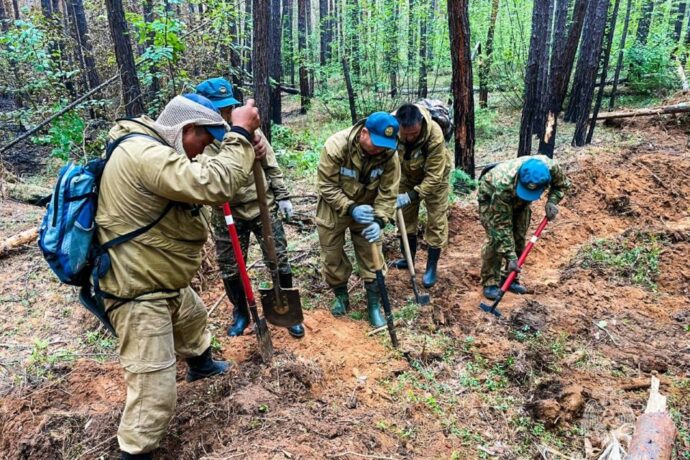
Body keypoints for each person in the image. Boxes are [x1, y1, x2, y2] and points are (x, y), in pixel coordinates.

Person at [96, 93, 261, 459]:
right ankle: (135, 452)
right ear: (187, 130)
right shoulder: (144, 154)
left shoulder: (157, 149)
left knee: (192, 318)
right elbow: (212, 185)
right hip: (136, 289)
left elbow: (202, 185)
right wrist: (240, 134)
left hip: (159, 277)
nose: (202, 152)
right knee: (154, 390)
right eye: (202, 142)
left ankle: (201, 366)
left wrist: (247, 147)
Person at [196, 77, 305, 339]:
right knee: (231, 266)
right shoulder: (201, 137)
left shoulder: (248, 130)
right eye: (217, 108)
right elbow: (207, 176)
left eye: (226, 107)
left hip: (261, 205)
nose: (223, 113)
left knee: (277, 258)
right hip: (227, 210)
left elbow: (270, 163)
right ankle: (241, 312)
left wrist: (283, 196)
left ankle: (286, 309)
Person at [317, 112, 400, 327]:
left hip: (369, 208)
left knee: (372, 255)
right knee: (332, 253)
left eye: (385, 145)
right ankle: (341, 296)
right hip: (334, 207)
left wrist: (379, 221)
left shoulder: (389, 154)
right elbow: (326, 185)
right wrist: (350, 207)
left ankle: (373, 305)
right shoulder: (337, 145)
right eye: (377, 143)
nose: (380, 149)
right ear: (364, 133)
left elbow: (389, 192)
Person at [477, 155, 570, 300]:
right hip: (491, 196)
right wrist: (511, 256)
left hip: (517, 199)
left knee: (519, 236)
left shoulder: (551, 168)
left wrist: (552, 201)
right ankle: (490, 282)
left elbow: (562, 185)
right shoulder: (503, 183)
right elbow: (501, 225)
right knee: (495, 239)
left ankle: (509, 279)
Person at [393, 103, 452, 288]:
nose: (410, 138)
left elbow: (434, 176)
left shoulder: (434, 134)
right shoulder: (391, 128)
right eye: (406, 134)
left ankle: (431, 267)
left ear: (420, 123)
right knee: (405, 217)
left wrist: (411, 196)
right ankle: (408, 259)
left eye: (414, 133)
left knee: (436, 221)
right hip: (406, 174)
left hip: (436, 178)